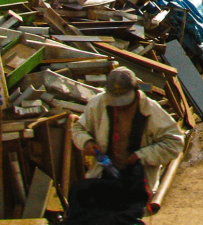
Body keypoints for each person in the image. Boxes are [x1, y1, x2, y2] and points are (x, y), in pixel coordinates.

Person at [68, 67, 184, 225]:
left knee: (121, 219)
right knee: (80, 202)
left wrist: (142, 155)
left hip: (137, 179)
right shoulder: (98, 103)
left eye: (123, 102)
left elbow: (175, 142)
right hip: (104, 174)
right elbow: (78, 129)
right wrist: (87, 142)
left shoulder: (150, 109)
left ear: (135, 92)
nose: (119, 107)